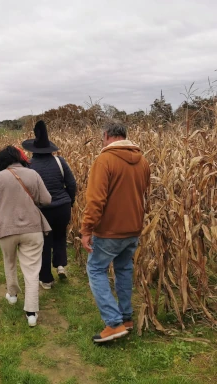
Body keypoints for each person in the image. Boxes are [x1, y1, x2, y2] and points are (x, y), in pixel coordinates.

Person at [80, 121, 150, 343]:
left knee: (95, 269)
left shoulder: (105, 160)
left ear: (107, 135)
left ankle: (113, 322)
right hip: (133, 229)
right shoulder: (142, 161)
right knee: (123, 269)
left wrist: (86, 229)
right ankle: (126, 318)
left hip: (110, 230)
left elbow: (95, 200)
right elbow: (143, 192)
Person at [0, 146, 52, 327]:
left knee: (9, 261)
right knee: (32, 269)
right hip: (33, 229)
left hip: (6, 229)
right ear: (19, 158)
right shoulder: (33, 174)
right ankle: (31, 313)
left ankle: (12, 295)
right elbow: (46, 200)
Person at [22, 120, 76, 289]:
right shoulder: (60, 161)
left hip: (41, 210)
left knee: (43, 243)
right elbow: (72, 184)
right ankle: (60, 265)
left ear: (33, 150)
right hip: (62, 207)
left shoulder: (28, 166)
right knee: (60, 235)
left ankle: (46, 280)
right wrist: (70, 201)